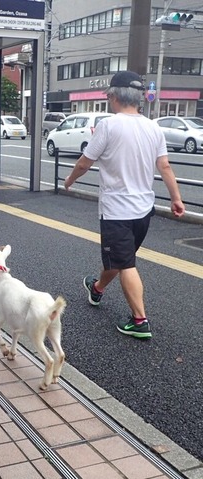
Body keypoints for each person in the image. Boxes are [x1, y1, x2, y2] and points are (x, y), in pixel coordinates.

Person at [64, 70, 185, 340]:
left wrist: (70, 180)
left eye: (109, 96)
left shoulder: (109, 125)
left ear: (114, 96)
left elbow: (85, 162)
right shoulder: (153, 127)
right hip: (143, 210)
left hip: (116, 210)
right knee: (121, 258)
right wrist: (176, 198)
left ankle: (139, 321)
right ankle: (97, 288)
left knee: (126, 263)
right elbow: (164, 165)